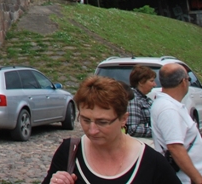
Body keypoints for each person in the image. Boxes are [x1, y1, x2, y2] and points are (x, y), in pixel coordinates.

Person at [43, 75, 180, 184]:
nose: (92, 130)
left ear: (123, 119)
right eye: (85, 120)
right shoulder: (70, 152)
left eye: (102, 122)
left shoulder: (151, 161)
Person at [152, 64, 202, 184]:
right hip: (186, 179)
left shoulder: (167, 104)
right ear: (183, 81)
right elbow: (175, 148)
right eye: (189, 79)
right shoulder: (169, 109)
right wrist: (198, 179)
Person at [126, 65, 156, 139]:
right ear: (141, 82)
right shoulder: (133, 99)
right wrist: (157, 132)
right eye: (151, 81)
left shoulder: (145, 99)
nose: (154, 84)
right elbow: (133, 129)